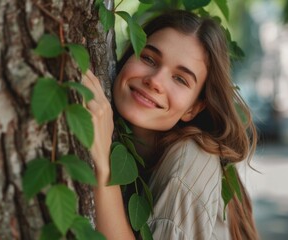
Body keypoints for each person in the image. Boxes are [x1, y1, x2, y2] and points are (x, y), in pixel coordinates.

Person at [82, 10, 259, 240]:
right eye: (148, 58)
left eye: (180, 79)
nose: (155, 81)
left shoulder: (188, 163)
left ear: (193, 108)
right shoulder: (142, 153)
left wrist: (103, 164)